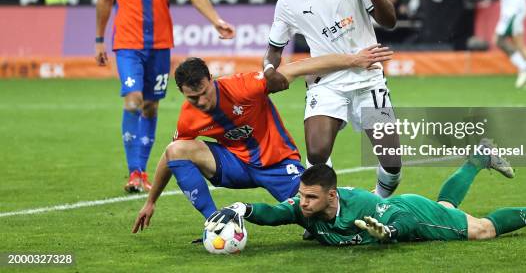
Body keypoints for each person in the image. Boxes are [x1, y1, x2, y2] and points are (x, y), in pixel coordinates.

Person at [131, 45, 394, 232]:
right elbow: (170, 155)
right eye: (192, 98)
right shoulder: (188, 116)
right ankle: (216, 223)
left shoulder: (244, 86)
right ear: (182, 93)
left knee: (319, 216)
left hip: (278, 164)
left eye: (203, 93)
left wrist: (352, 60)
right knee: (177, 148)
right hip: (236, 165)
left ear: (211, 79)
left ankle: (380, 210)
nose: (200, 102)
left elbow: (298, 67)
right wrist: (151, 201)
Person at [95, 0, 235, 193]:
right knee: (132, 99)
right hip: (127, 43)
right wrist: (98, 38)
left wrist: (215, 20)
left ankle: (142, 173)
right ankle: (134, 172)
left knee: (150, 105)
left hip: (159, 44)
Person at [263, 0, 403, 204]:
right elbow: (274, 50)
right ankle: (327, 210)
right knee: (316, 154)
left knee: (391, 159)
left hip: (369, 79)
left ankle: (377, 203)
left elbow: (389, 21)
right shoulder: (289, 0)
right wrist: (268, 70)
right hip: (326, 83)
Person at [204, 145, 526, 246]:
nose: (302, 204)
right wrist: (244, 208)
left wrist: (389, 234)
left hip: (409, 214)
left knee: (480, 229)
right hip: (402, 215)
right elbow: (276, 213)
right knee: (447, 205)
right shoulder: (305, 206)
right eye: (302, 196)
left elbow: (400, 220)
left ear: (332, 196)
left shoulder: (363, 206)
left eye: (310, 198)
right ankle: (479, 156)